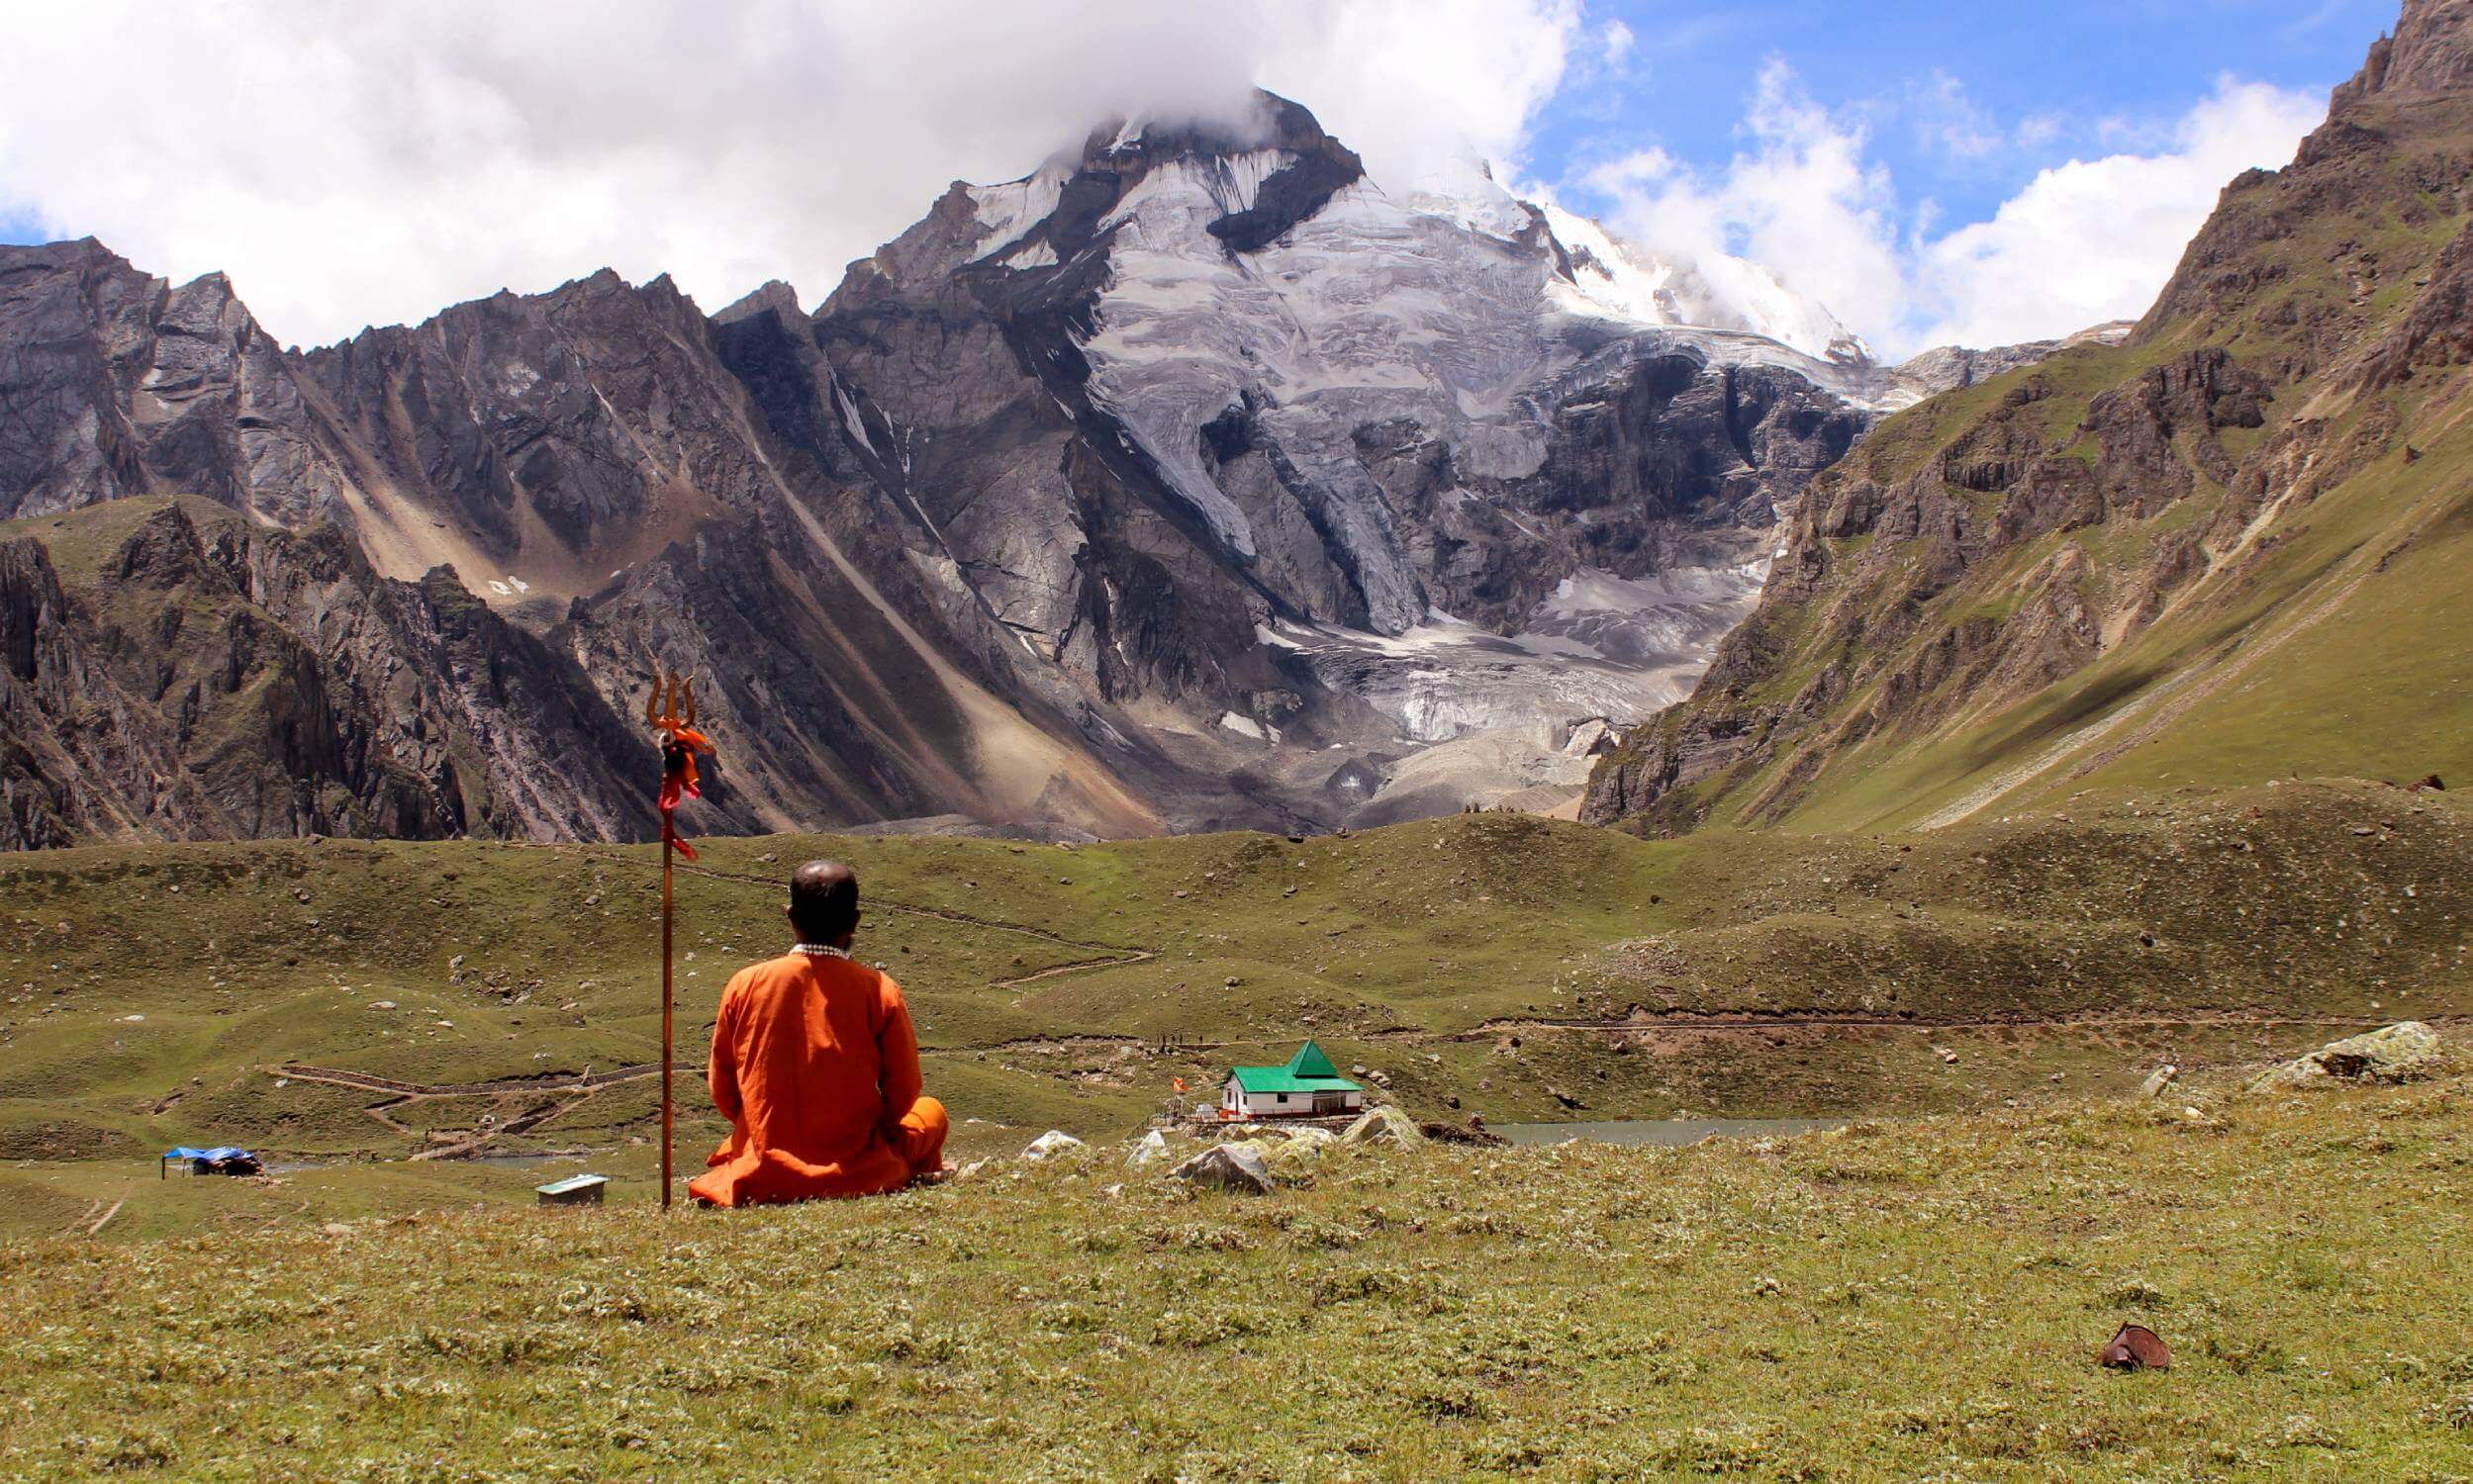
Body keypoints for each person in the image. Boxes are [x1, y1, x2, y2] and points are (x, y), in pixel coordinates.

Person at [688, 860, 949, 1206]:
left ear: (791, 917)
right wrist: (874, 1136)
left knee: (735, 1146)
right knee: (931, 1112)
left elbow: (723, 1089)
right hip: (857, 1170)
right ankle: (910, 1173)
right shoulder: (879, 990)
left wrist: (765, 1128)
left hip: (764, 1168)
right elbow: (904, 1090)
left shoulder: (744, 985)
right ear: (854, 921)